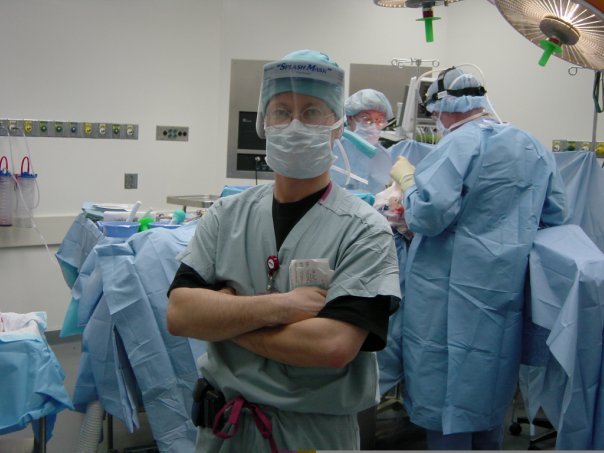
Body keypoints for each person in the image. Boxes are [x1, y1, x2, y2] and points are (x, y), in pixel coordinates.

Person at [166, 49, 401, 452]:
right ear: (265, 123)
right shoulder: (227, 215)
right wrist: (282, 307)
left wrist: (226, 319)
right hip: (224, 433)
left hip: (311, 435)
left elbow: (331, 346)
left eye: (311, 112)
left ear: (337, 127)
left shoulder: (364, 230)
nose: (294, 125)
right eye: (281, 111)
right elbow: (181, 314)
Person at [389, 66, 568, 450]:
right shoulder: (532, 146)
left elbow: (428, 216)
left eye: (434, 113)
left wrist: (407, 183)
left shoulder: (456, 146)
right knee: (488, 387)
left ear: (441, 107)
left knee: (446, 395)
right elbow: (555, 217)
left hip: (445, 297)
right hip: (502, 293)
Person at [331, 88, 394, 194]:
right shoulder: (335, 148)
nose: (373, 126)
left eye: (379, 121)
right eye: (366, 119)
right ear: (350, 118)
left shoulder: (383, 156)